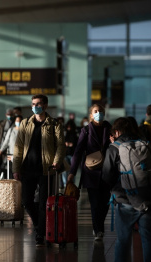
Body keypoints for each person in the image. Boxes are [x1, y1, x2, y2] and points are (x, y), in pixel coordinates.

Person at [102, 117, 151, 262]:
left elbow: (107, 176)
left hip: (125, 199)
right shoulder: (146, 144)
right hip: (149, 197)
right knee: (148, 236)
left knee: (123, 238)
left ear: (117, 131)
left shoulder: (114, 148)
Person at [12, 94, 65, 247]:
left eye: (39, 104)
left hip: (46, 170)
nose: (35, 106)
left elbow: (60, 145)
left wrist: (57, 161)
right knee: (26, 201)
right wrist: (16, 168)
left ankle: (40, 234)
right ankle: (38, 224)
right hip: (28, 169)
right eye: (33, 104)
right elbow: (18, 147)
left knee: (43, 204)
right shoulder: (25, 123)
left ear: (45, 106)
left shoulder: (54, 124)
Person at [68, 104, 112, 240]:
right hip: (91, 171)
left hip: (106, 170)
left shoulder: (109, 129)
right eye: (96, 111)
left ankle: (99, 226)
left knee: (105, 203)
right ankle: (98, 230)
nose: (99, 113)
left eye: (101, 111)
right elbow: (78, 151)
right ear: (91, 115)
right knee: (94, 203)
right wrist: (72, 172)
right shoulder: (86, 130)